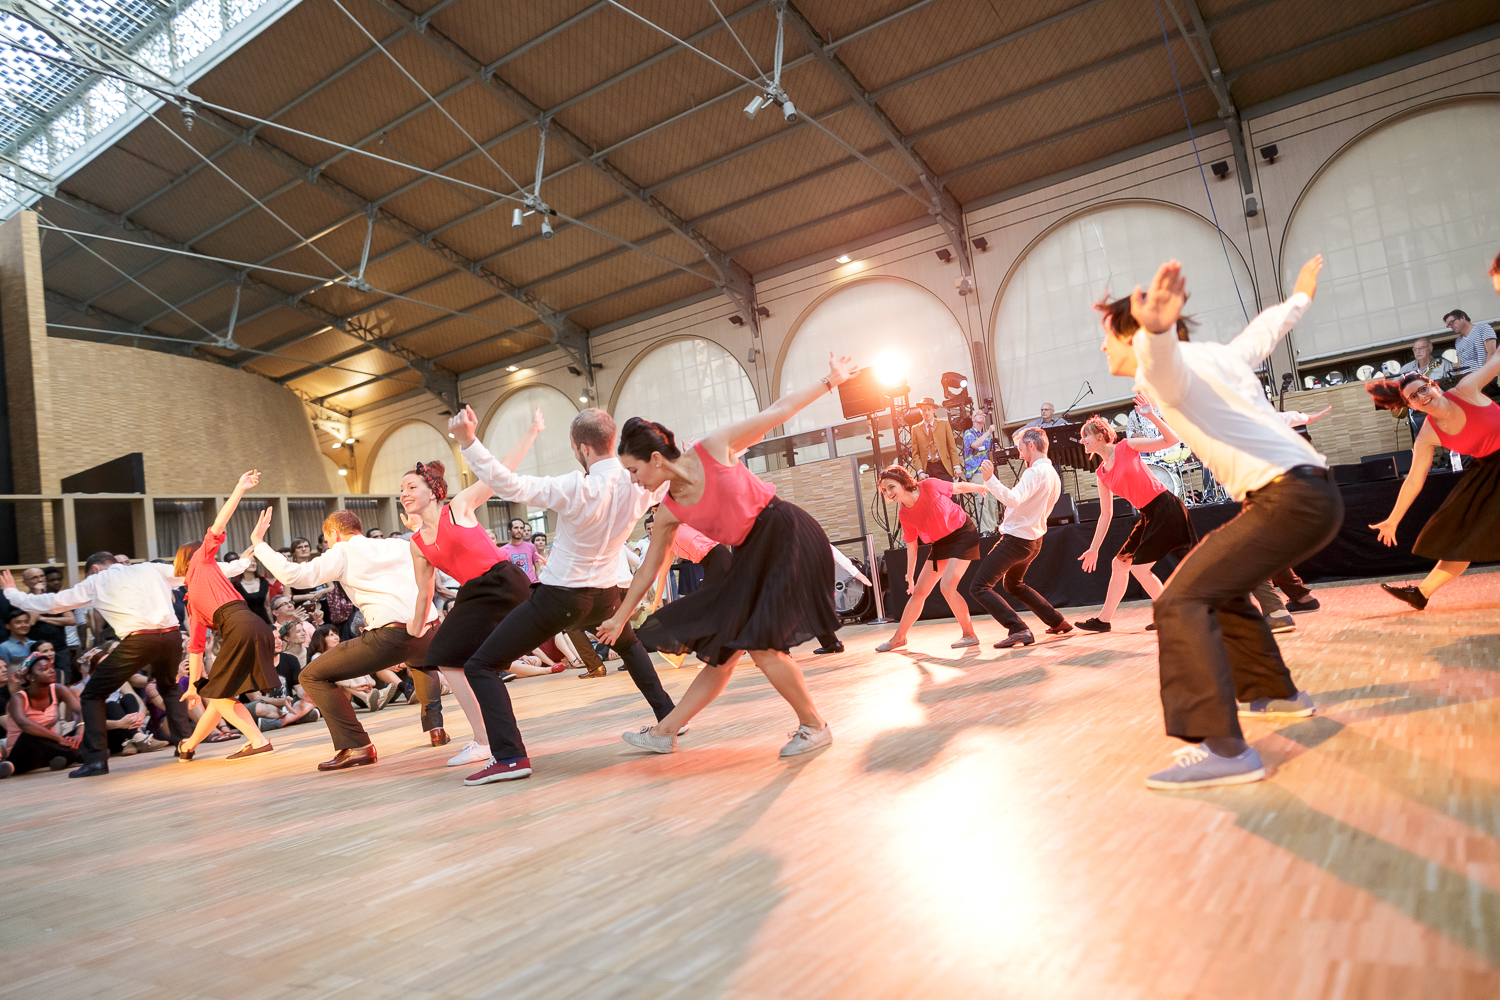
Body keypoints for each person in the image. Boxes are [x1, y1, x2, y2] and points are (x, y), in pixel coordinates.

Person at [1102, 254, 1335, 790]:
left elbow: (1160, 362)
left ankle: (1226, 752)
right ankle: (1275, 692)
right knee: (1217, 587)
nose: (1101, 347)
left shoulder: (1163, 372)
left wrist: (1155, 331)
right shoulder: (1222, 357)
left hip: (1288, 498)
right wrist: (1299, 296)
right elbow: (1265, 331)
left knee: (1177, 601)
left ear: (1131, 335)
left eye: (1107, 336)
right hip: (1313, 494)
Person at [598, 353, 853, 760]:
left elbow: (778, 410)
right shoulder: (668, 511)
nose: (633, 480)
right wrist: (621, 614)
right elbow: (649, 568)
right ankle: (665, 732)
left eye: (633, 470)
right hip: (750, 553)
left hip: (785, 532)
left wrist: (830, 380)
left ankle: (814, 725)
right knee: (723, 653)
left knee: (761, 646)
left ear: (656, 460)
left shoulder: (713, 448)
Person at [443, 404, 680, 784]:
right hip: (605, 594)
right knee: (628, 644)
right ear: (611, 441)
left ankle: (509, 758)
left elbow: (509, 485)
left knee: (481, 665)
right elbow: (673, 480)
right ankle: (669, 717)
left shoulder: (576, 485)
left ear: (581, 448)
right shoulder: (637, 484)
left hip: (562, 598)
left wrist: (469, 442)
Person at [400, 409, 544, 768]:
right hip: (476, 594)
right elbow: (424, 592)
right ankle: (486, 740)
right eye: (401, 490)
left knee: (449, 656)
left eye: (411, 486)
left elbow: (500, 472)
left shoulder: (458, 508)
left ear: (433, 491)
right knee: (453, 659)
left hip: (502, 581)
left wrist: (531, 431)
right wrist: (413, 629)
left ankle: (485, 740)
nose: (404, 493)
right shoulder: (417, 543)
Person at [249, 505, 442, 771]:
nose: (327, 544)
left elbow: (294, 575)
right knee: (421, 661)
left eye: (327, 539)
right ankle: (436, 729)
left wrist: (259, 544)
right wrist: (420, 529)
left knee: (311, 676)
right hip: (430, 627)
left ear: (334, 534)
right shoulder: (397, 544)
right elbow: (433, 555)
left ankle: (357, 745)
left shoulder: (342, 551)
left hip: (392, 632)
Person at [3, 551, 193, 778]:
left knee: (92, 695)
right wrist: (241, 563)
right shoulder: (149, 568)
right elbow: (195, 572)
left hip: (140, 639)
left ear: (94, 569)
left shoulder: (98, 580)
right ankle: (185, 745)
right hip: (172, 635)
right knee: (169, 687)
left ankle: (96, 761)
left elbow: (52, 603)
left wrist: (12, 593)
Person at [1367, 339, 1500, 608]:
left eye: (1423, 389)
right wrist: (1393, 519)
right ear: (1411, 406)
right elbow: (1415, 479)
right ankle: (1422, 593)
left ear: (1435, 385)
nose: (1422, 397)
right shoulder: (1427, 434)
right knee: (1463, 536)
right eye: (1413, 397)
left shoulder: (1465, 390)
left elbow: (1496, 360)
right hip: (1487, 470)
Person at [174, 471, 279, 763]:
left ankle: (257, 741)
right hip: (255, 625)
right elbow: (195, 650)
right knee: (221, 697)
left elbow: (218, 524)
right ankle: (189, 746)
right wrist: (195, 689)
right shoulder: (198, 590)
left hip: (239, 628)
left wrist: (239, 489)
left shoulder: (199, 566)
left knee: (220, 697)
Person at [1073, 398, 1195, 633]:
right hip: (1148, 514)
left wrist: (1150, 415)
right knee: (1119, 564)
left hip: (1165, 508)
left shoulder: (1127, 446)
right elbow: (1105, 515)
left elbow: (1171, 440)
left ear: (1099, 436)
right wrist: (1094, 547)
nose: (1082, 441)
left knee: (1139, 569)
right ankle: (1103, 620)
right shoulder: (1101, 473)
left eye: (1084, 436)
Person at [968, 428, 1071, 648]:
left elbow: (1013, 499)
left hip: (1016, 540)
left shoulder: (1034, 472)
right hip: (1033, 542)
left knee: (979, 587)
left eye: (1021, 449)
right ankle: (1057, 621)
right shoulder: (1053, 474)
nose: (1020, 455)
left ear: (1032, 446)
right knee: (1014, 585)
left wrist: (990, 480)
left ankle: (1018, 628)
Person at [872, 465, 983, 652]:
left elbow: (958, 488)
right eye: (884, 490)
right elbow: (912, 546)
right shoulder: (904, 514)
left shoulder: (929, 486)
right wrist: (910, 575)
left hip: (963, 534)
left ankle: (969, 635)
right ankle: (898, 638)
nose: (888, 493)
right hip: (941, 542)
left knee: (947, 586)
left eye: (891, 487)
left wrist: (981, 487)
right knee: (919, 592)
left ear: (902, 482)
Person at [3, 649, 83, 774]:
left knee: (91, 724)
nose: (51, 671)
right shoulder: (18, 698)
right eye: (44, 669)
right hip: (22, 753)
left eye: (52, 667)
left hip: (50, 748)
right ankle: (78, 756)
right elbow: (24, 724)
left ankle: (64, 757)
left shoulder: (58, 689)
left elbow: (82, 711)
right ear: (30, 677)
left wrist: (79, 734)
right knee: (31, 734)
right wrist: (59, 738)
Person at [960, 410, 997, 533]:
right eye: (978, 413)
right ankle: (985, 530)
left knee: (992, 500)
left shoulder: (987, 436)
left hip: (988, 471)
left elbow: (989, 452)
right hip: (976, 471)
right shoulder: (969, 433)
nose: (982, 415)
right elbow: (975, 445)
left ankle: (993, 527)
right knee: (982, 500)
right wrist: (988, 432)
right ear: (973, 418)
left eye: (983, 414)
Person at [908, 397, 959, 481]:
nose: (926, 412)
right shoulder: (916, 429)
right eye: (924, 410)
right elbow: (915, 453)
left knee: (947, 493)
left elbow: (952, 447)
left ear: (934, 410)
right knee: (931, 493)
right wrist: (920, 472)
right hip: (927, 468)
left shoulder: (944, 424)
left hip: (944, 466)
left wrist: (956, 466)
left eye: (929, 409)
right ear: (920, 411)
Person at [1443, 308, 1496, 386]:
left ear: (1463, 318)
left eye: (1452, 322)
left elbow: (1492, 353)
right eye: (1449, 325)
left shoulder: (1483, 328)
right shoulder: (1458, 341)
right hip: (1467, 381)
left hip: (1484, 377)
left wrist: (1486, 374)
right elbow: (1460, 364)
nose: (1451, 326)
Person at [497, 517, 546, 584]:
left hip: (532, 585)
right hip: (515, 587)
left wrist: (539, 583)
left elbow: (537, 568)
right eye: (516, 528)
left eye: (521, 528)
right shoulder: (503, 550)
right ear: (509, 529)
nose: (519, 530)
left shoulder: (531, 546)